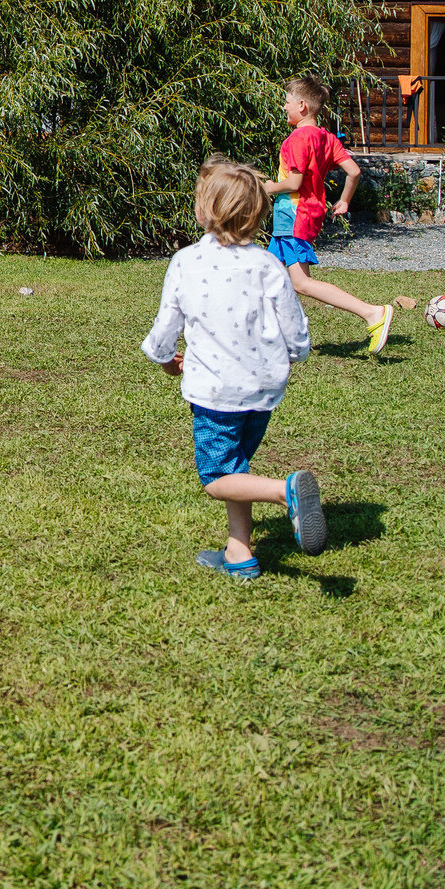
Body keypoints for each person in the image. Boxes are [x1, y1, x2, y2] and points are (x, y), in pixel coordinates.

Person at [142, 156, 329, 578]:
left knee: (215, 477)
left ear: (204, 210)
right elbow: (294, 326)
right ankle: (239, 554)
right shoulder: (268, 264)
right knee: (235, 466)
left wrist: (162, 357)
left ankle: (286, 492)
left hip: (216, 394)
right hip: (262, 392)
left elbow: (166, 325)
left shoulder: (187, 262)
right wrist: (296, 354)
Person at [263, 74, 414, 354]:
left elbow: (294, 183)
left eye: (286, 102)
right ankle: (277, 335)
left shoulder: (297, 139)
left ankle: (371, 313)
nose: (284, 107)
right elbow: (354, 171)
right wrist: (344, 201)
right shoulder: (326, 138)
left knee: (301, 283)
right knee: (266, 276)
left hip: (293, 215)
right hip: (307, 214)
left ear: (302, 106)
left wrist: (267, 187)